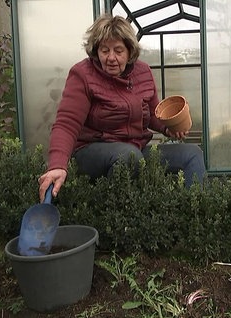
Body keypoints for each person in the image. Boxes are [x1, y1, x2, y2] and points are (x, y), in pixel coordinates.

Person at [38, 14, 206, 201]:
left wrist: (168, 128)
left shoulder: (142, 72)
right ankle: (117, 217)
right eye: (104, 50)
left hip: (135, 149)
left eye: (118, 51)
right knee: (129, 156)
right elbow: (67, 124)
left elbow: (151, 114)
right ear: (96, 51)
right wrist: (57, 165)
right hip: (92, 151)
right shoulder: (83, 74)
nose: (111, 57)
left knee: (192, 154)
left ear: (130, 52)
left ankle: (194, 212)